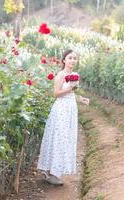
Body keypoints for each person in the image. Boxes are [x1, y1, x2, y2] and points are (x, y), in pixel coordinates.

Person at [37, 49, 90, 186]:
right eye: (70, 57)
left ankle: (54, 171)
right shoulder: (61, 75)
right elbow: (56, 93)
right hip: (61, 110)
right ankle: (52, 172)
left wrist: (81, 98)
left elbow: (71, 94)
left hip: (71, 110)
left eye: (75, 58)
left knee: (66, 139)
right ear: (64, 60)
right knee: (59, 138)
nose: (72, 60)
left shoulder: (75, 75)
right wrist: (70, 88)